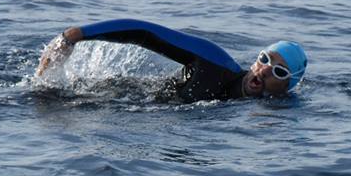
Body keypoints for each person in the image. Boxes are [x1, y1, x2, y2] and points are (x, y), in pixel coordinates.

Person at [36, 18, 307, 102]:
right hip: (121, 97)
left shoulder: (276, 116)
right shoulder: (215, 62)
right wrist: (77, 35)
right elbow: (147, 33)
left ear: (287, 89)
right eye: (264, 59)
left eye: (279, 73)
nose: (264, 71)